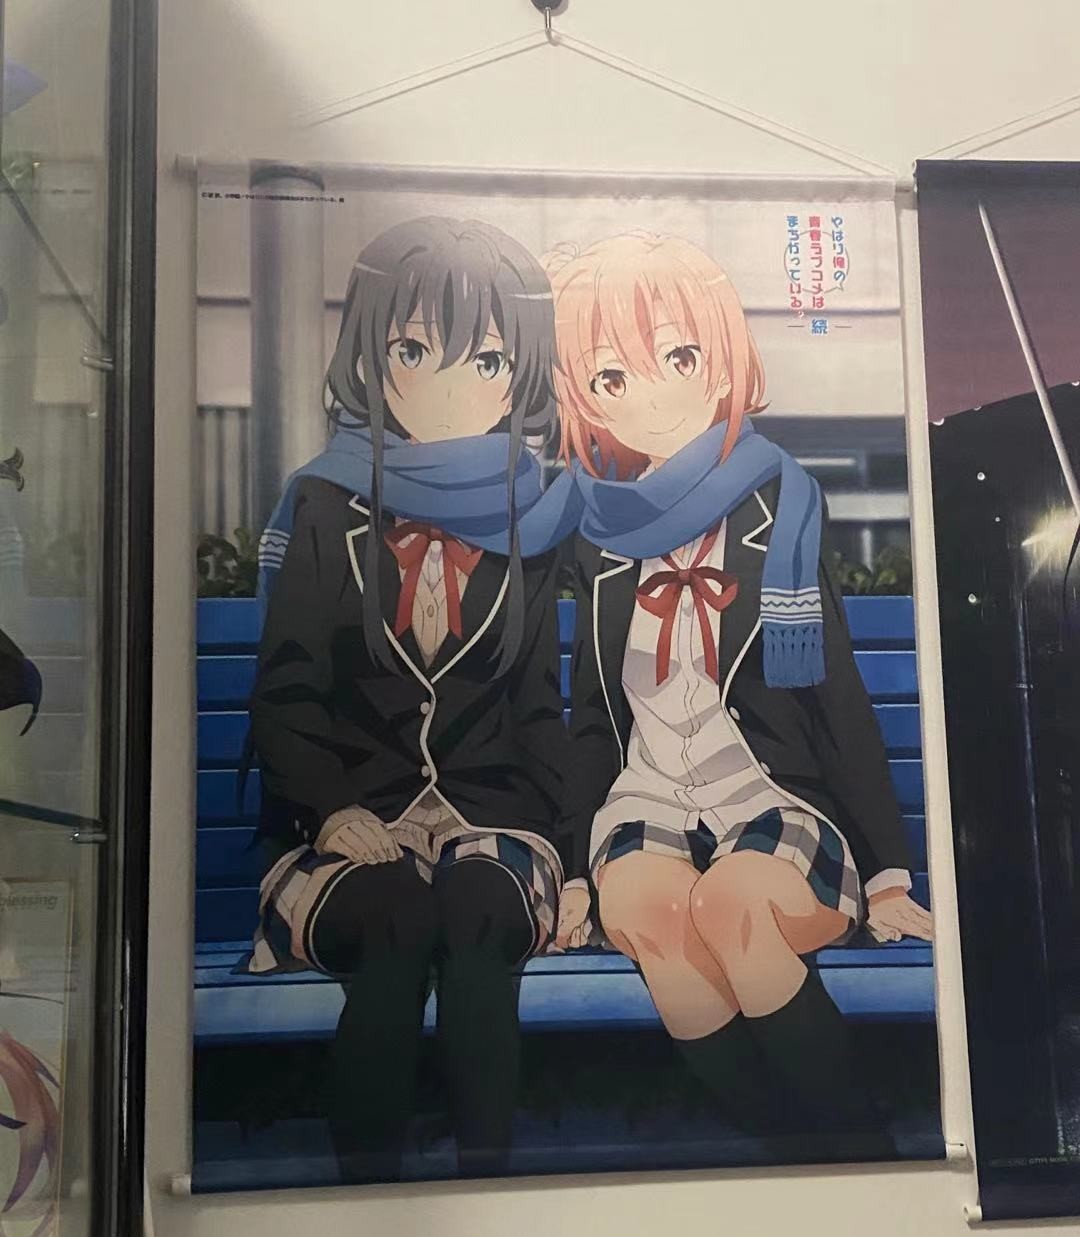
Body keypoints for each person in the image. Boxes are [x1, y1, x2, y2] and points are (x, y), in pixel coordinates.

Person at [546, 231, 932, 1155]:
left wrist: (887, 873)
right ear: (586, 398)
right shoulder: (597, 539)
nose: (651, 393)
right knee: (648, 912)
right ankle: (792, 1144)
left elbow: (837, 703)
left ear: (721, 359)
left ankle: (851, 1147)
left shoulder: (778, 514)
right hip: (648, 798)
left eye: (677, 357)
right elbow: (593, 721)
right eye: (611, 377)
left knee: (733, 906)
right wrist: (570, 873)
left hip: (772, 795)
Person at [249, 217, 572, 1180]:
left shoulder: (536, 514)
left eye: (486, 360)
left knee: (474, 910)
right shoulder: (326, 504)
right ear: (371, 356)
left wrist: (569, 851)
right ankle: (368, 1197)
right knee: (394, 917)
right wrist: (331, 809)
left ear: (520, 375)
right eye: (414, 352)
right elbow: (288, 688)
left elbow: (542, 709)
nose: (446, 386)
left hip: (492, 823)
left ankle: (486, 1182)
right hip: (348, 824)